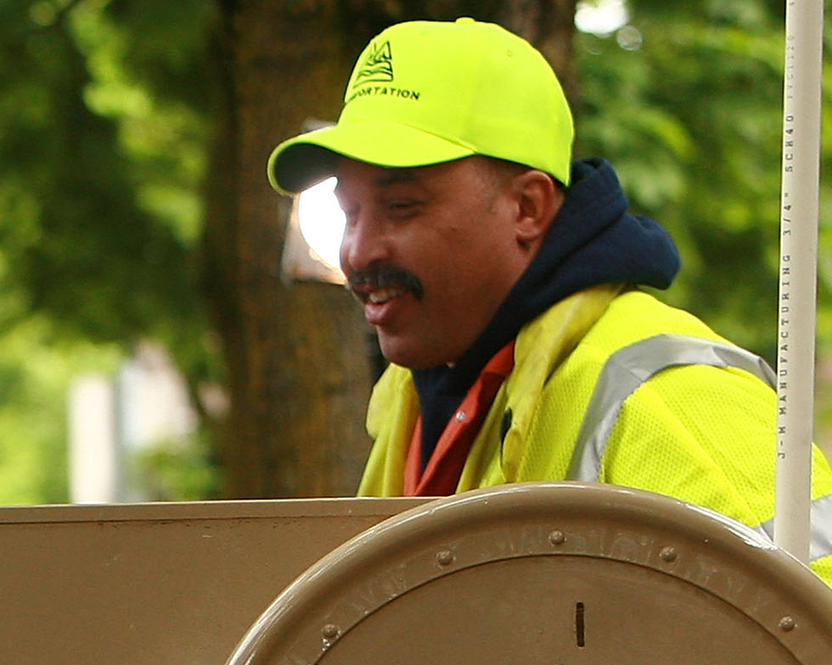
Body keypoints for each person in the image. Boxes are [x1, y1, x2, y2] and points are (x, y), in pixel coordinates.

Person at [267, 18, 832, 564]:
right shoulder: (420, 394)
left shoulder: (671, 398)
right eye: (347, 212)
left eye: (401, 207)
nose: (358, 252)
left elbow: (807, 633)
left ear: (527, 207)